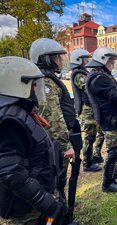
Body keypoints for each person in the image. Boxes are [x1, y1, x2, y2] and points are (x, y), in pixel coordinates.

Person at [0, 56, 63, 224]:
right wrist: (44, 201)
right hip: (26, 208)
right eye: (34, 84)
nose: (37, 89)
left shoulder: (19, 111)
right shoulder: (9, 121)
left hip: (33, 203)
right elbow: (10, 172)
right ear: (17, 85)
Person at [30, 38, 81, 220]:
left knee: (59, 183)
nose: (61, 61)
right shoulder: (46, 82)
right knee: (56, 184)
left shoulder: (46, 78)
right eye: (57, 58)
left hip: (52, 143)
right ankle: (58, 218)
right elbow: (53, 118)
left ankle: (63, 215)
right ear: (45, 59)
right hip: (54, 145)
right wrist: (65, 145)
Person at [86, 46, 117, 193]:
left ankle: (113, 172)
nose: (112, 64)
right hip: (110, 119)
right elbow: (116, 96)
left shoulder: (101, 75)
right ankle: (108, 183)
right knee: (113, 151)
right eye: (110, 61)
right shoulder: (99, 79)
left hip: (111, 118)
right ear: (102, 61)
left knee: (114, 147)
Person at [70, 48, 103, 172]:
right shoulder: (79, 75)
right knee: (89, 137)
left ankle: (93, 157)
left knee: (93, 135)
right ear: (79, 60)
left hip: (90, 109)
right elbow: (88, 88)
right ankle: (87, 163)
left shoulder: (83, 72)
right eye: (85, 59)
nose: (87, 61)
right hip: (87, 110)